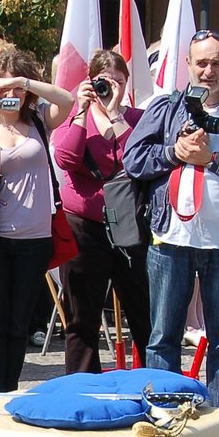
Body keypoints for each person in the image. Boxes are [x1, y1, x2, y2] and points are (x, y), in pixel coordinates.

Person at [123, 30, 219, 410]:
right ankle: (164, 413)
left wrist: (215, 160)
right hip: (171, 240)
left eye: (217, 64)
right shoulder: (164, 109)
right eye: (202, 63)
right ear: (188, 65)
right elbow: (133, 160)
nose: (208, 71)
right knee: (163, 337)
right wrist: (174, 152)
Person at [0, 46, 73, 393]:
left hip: (36, 238)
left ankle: (9, 389)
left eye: (16, 89)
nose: (11, 95)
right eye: (2, 88)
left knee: (19, 325)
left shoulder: (38, 120)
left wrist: (23, 80)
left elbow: (68, 101)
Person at [52, 49, 150, 375]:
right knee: (82, 316)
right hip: (83, 226)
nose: (112, 88)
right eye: (105, 82)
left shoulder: (136, 120)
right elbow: (65, 157)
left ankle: (157, 382)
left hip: (128, 224)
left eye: (119, 82)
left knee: (143, 311)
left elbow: (140, 160)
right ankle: (82, 386)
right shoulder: (76, 118)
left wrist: (117, 116)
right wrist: (81, 110)